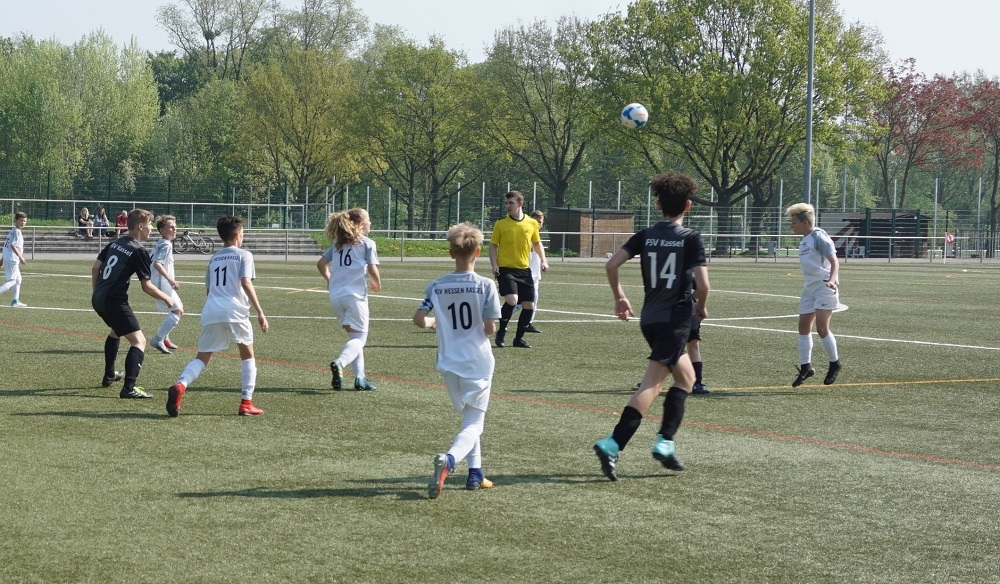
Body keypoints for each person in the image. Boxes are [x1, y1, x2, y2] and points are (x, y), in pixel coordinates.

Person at [593, 171, 710, 482]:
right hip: (675, 320)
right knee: (652, 385)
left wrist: (619, 296)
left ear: (658, 205)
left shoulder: (645, 235)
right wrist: (700, 305)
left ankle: (665, 443)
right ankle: (613, 443)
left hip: (650, 318)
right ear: (688, 205)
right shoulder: (691, 238)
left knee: (685, 379)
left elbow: (611, 264)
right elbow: (703, 283)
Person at [413, 222, 502, 499]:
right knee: (475, 423)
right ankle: (450, 461)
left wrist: (435, 324)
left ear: (451, 253)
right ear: (478, 252)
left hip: (449, 361)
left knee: (468, 419)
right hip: (477, 359)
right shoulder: (486, 285)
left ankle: (475, 474)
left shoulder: (437, 286)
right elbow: (490, 328)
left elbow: (418, 320)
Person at [165, 216, 269, 417]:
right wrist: (260, 312)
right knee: (248, 356)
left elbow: (208, 290)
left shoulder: (214, 258)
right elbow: (246, 282)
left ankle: (180, 385)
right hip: (235, 310)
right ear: (238, 234)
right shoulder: (244, 255)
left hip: (211, 309)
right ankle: (246, 403)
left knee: (202, 357)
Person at [91, 209, 175, 398]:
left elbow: (96, 267)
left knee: (116, 331)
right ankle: (129, 388)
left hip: (98, 298)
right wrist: (166, 297)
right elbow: (147, 286)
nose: (151, 228)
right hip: (114, 300)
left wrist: (97, 292)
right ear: (140, 226)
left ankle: (110, 375)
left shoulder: (116, 242)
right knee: (139, 341)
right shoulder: (139, 251)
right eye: (150, 225)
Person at [317, 208, 382, 391]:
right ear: (360, 224)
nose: (371, 222)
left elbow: (321, 264)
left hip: (336, 296)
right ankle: (340, 362)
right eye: (368, 219)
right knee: (360, 338)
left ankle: (360, 379)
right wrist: (377, 283)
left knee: (354, 337)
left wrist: (330, 279)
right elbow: (371, 269)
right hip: (354, 296)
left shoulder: (338, 245)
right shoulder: (367, 243)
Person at [786, 203, 842, 387]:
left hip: (824, 286)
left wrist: (832, 280)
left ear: (805, 222)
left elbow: (834, 261)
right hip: (809, 288)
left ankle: (835, 363)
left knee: (822, 329)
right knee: (803, 326)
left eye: (794, 222)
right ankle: (806, 367)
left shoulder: (818, 236)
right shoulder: (805, 239)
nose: (792, 225)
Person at [488, 191, 548, 348]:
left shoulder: (531, 223)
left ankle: (518, 339)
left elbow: (537, 242)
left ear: (520, 203)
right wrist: (494, 265)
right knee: (512, 300)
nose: (507, 206)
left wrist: (543, 260)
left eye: (511, 203)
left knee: (529, 305)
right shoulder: (500, 224)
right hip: (506, 269)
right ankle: (501, 332)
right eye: (506, 203)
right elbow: (493, 246)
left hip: (524, 269)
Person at [149, 215, 184, 354]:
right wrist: (170, 279)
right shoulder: (166, 244)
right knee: (177, 311)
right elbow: (158, 264)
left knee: (177, 309)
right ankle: (158, 339)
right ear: (162, 230)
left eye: (175, 226)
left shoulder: (160, 242)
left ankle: (165, 338)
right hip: (161, 283)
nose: (175, 229)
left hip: (159, 282)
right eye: (171, 226)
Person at [0, 212, 29, 307]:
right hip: (12, 259)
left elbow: (6, 246)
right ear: (15, 220)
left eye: (24, 221)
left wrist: (2, 259)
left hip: (9, 257)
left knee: (18, 279)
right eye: (21, 220)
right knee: (12, 281)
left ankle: (15, 301)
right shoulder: (16, 231)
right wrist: (21, 257)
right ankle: (15, 301)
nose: (23, 222)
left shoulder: (13, 231)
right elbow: (12, 245)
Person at [523, 209, 545, 334]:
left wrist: (543, 261)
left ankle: (528, 323)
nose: (538, 224)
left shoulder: (536, 236)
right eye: (535, 221)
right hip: (526, 273)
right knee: (522, 301)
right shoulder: (527, 235)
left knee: (533, 299)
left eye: (540, 222)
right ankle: (498, 315)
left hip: (535, 273)